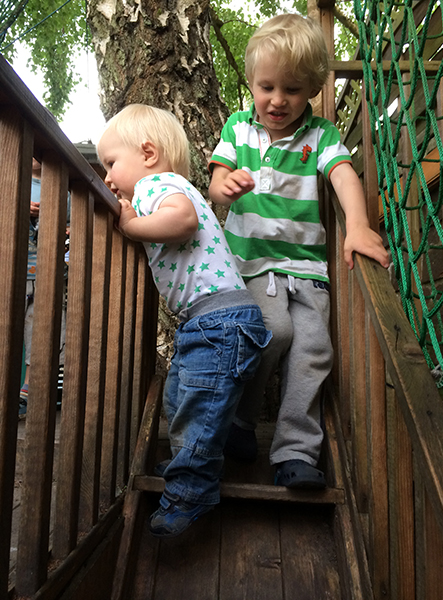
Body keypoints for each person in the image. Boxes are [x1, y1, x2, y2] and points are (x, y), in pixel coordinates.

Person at [208, 13, 389, 489]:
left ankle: (295, 452)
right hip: (251, 265)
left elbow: (344, 177)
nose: (277, 100)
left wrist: (358, 226)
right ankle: (240, 424)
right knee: (273, 330)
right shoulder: (238, 129)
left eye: (291, 89)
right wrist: (226, 187)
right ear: (251, 83)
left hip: (307, 269)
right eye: (267, 87)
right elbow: (214, 187)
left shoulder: (321, 136)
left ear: (310, 88)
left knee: (313, 349)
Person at [96, 104, 272, 538]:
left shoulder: (159, 185)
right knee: (180, 399)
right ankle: (191, 455)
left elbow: (183, 221)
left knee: (195, 405)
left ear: (149, 154)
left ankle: (191, 490)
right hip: (213, 320)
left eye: (111, 164)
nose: (107, 179)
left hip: (219, 321)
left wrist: (131, 226)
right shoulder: (169, 184)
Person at [19, 159, 69, 419]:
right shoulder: (13, 179)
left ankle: (29, 390)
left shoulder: (61, 188)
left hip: (46, 273)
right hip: (12, 271)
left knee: (40, 330)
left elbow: (72, 224)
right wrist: (17, 207)